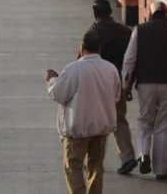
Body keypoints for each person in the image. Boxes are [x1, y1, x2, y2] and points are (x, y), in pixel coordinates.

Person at [121, 1, 167, 181]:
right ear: (166, 13)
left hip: (145, 84)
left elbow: (129, 60)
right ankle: (162, 170)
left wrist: (126, 86)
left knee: (145, 121)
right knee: (165, 126)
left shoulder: (140, 30)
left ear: (150, 13)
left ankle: (144, 154)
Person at [46, 31, 121, 194]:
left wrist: (52, 80)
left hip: (77, 129)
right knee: (96, 167)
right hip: (101, 127)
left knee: (73, 166)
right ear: (99, 48)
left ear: (81, 47)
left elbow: (58, 94)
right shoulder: (111, 69)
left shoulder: (74, 69)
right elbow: (116, 95)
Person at [87, 0, 137, 175]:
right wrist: (129, 85)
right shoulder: (125, 31)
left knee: (96, 122)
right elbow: (132, 60)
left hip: (97, 85)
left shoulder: (92, 33)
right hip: (118, 83)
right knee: (119, 120)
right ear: (109, 11)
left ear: (95, 13)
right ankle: (128, 157)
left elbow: (83, 59)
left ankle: (94, 159)